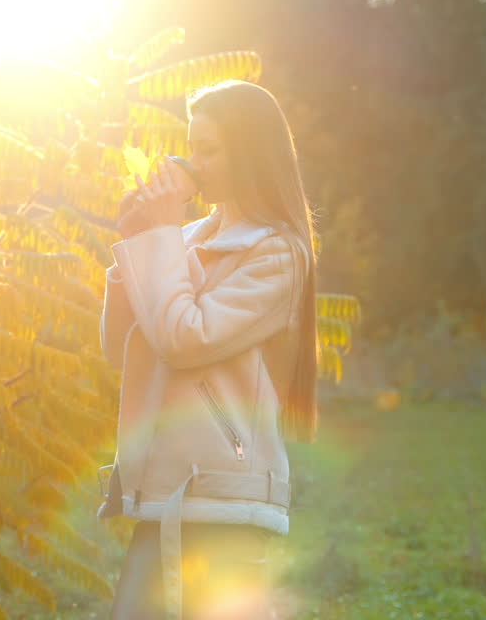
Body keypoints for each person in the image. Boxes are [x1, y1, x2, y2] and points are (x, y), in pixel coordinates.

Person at [98, 80, 319, 620]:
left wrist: (163, 234)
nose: (190, 162)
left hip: (224, 500)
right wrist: (136, 243)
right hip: (166, 488)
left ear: (248, 155)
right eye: (190, 146)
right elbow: (119, 350)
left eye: (207, 150)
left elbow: (183, 339)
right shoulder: (187, 236)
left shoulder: (278, 255)